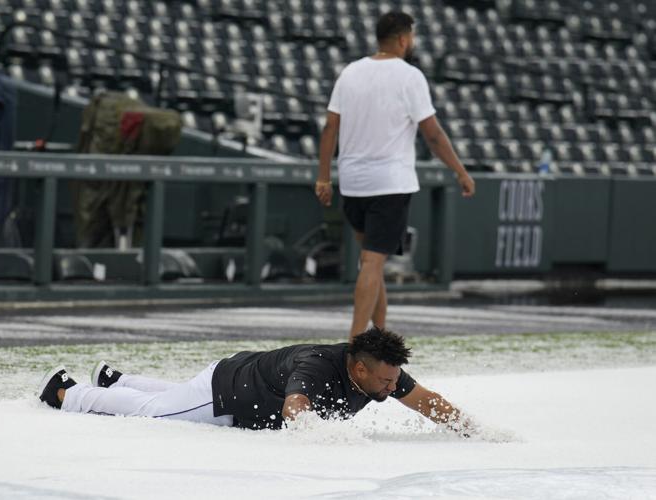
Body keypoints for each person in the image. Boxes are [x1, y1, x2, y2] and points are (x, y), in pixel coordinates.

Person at [315, 11, 476, 339]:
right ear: (404, 38)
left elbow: (331, 125)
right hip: (389, 184)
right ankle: (356, 345)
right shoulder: (409, 76)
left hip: (353, 184)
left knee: (371, 263)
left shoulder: (350, 72)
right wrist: (460, 171)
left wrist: (323, 177)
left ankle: (381, 335)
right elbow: (432, 135)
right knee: (373, 264)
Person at [38, 327, 474, 435]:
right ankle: (66, 392)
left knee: (173, 397)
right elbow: (295, 406)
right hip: (227, 393)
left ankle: (115, 379)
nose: (391, 387)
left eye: (393, 379)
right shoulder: (320, 366)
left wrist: (470, 428)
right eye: (384, 380)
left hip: (238, 371)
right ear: (359, 368)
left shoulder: (381, 375)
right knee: (156, 413)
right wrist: (320, 439)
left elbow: (425, 399)